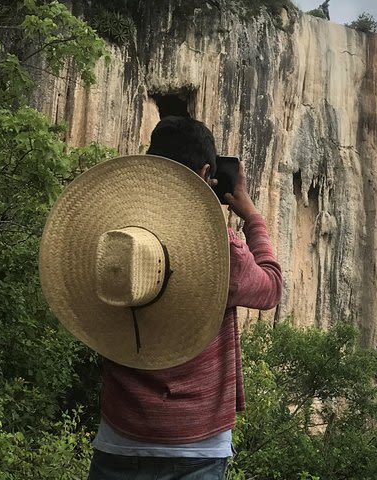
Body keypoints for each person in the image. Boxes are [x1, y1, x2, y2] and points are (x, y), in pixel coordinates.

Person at [87, 116, 283, 479]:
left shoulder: (118, 238)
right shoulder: (219, 251)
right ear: (207, 172)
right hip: (195, 447)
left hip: (118, 438)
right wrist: (252, 216)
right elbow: (271, 286)